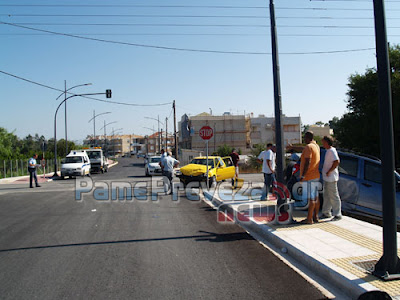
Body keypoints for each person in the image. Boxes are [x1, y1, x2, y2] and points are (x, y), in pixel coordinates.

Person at [299, 131, 321, 224]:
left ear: (307, 137)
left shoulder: (308, 147)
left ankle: (309, 219)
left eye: (304, 137)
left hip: (309, 176)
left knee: (311, 199)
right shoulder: (316, 146)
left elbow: (307, 161)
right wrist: (292, 147)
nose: (304, 139)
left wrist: (303, 175)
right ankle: (315, 216)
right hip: (316, 175)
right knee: (316, 197)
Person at [321, 136, 342, 221]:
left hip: (331, 177)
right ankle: (326, 212)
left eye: (323, 142)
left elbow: (336, 161)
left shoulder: (332, 151)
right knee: (326, 195)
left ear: (327, 142)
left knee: (333, 195)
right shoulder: (328, 151)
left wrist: (329, 171)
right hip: (327, 177)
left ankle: (337, 214)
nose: (322, 143)